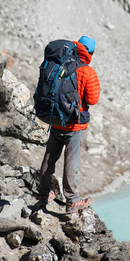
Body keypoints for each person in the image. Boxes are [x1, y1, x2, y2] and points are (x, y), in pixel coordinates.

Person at [38, 36, 100, 213]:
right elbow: (93, 99)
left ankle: (43, 194)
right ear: (90, 53)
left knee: (49, 158)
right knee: (71, 162)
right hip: (74, 125)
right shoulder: (87, 71)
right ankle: (72, 200)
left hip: (55, 119)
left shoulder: (60, 65)